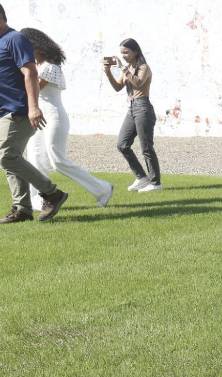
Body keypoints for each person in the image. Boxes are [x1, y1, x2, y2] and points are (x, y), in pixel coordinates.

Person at [20, 28, 113, 209]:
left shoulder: (49, 67)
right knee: (35, 158)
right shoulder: (37, 66)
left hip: (53, 118)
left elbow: (34, 90)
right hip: (39, 119)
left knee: (58, 160)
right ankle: (36, 200)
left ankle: (103, 188)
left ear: (35, 45)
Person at [0, 4, 68, 224]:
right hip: (4, 111)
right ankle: (22, 209)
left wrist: (33, 107)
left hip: (19, 110)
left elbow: (30, 72)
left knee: (7, 156)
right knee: (11, 159)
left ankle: (52, 194)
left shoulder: (15, 39)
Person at [103, 38, 161, 192]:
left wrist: (123, 69)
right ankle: (142, 177)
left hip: (143, 107)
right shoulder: (128, 68)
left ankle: (155, 183)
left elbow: (138, 83)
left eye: (126, 52)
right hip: (132, 108)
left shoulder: (144, 67)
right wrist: (108, 72)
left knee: (146, 147)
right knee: (122, 144)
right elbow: (117, 87)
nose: (123, 55)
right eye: (121, 53)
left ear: (135, 51)